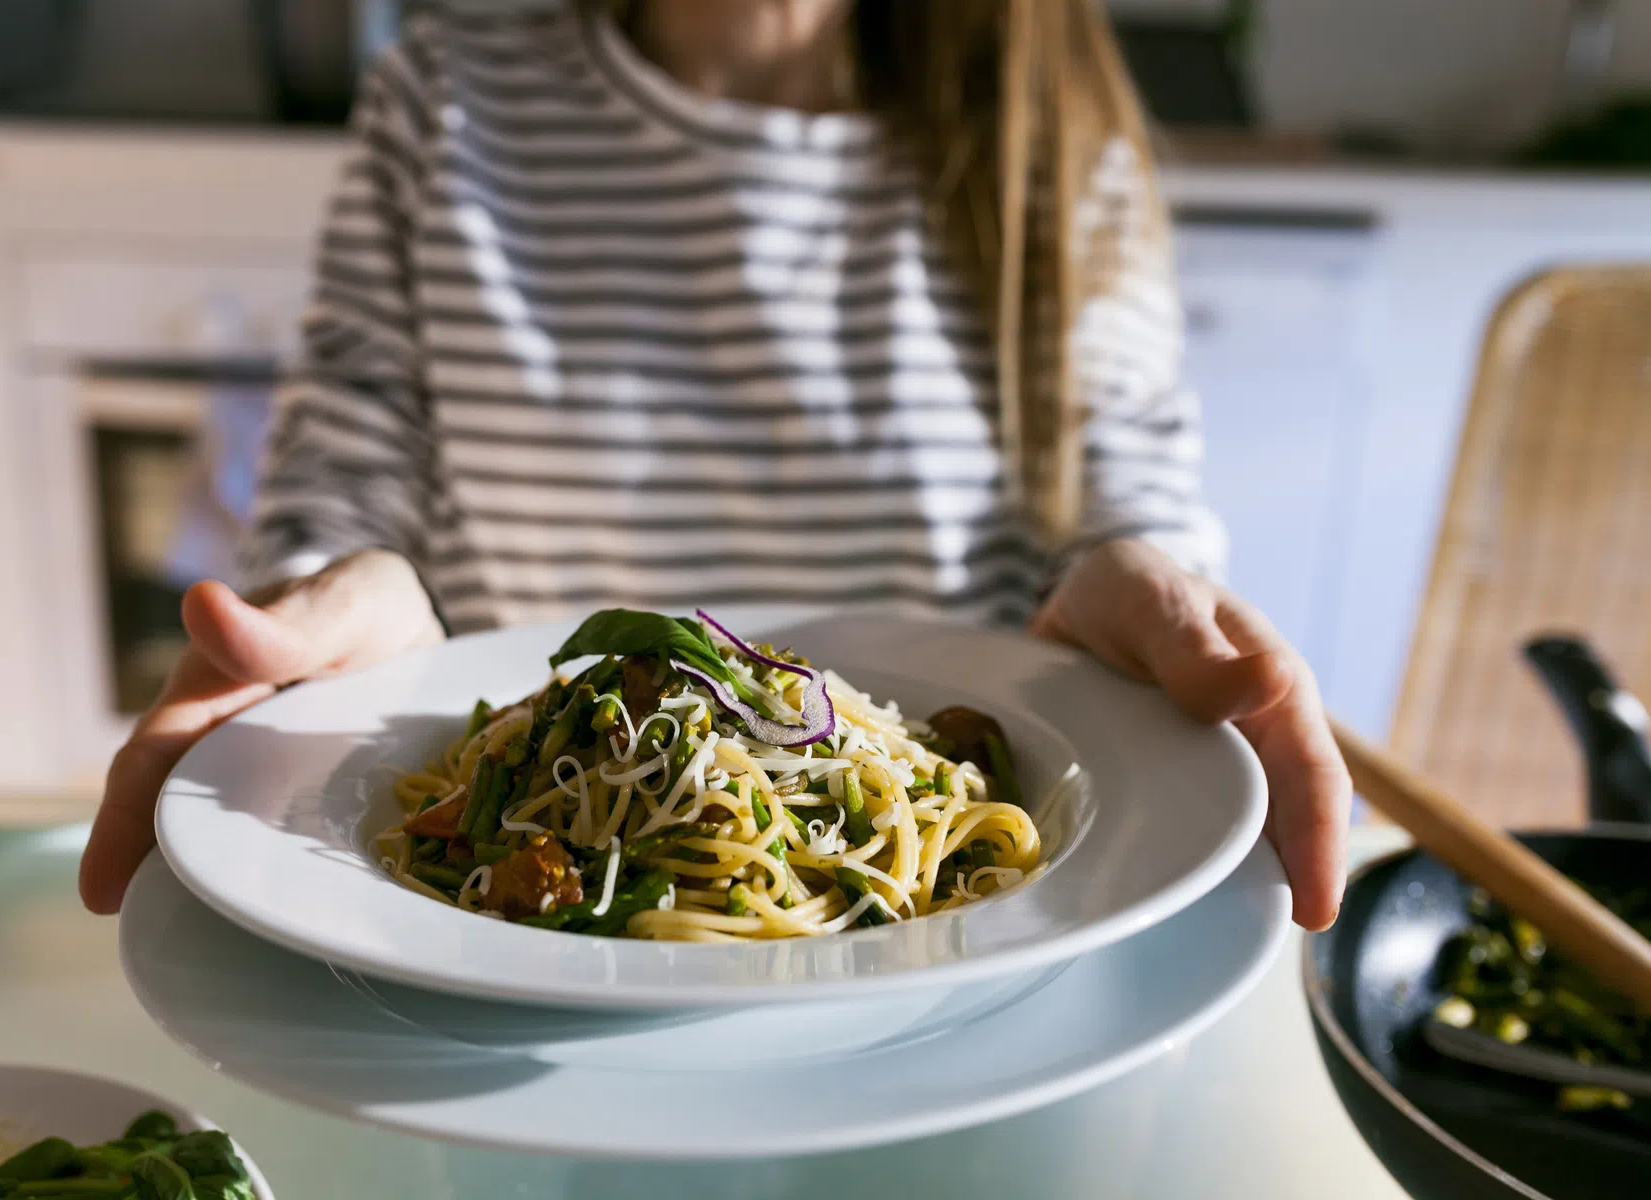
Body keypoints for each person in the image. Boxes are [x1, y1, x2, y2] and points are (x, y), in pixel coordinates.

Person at [79, 0, 1350, 930]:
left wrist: (1147, 582)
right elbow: (348, 447)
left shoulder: (1047, 135)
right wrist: (325, 593)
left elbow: (1126, 483)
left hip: (945, 964)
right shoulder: (446, 95)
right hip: (488, 952)